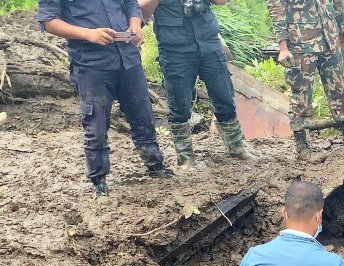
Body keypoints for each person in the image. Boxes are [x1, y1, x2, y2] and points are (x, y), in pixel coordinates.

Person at [38, 0, 174, 197]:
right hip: (91, 64)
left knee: (143, 114)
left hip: (128, 58)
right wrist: (88, 34)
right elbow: (49, 21)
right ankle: (99, 181)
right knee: (96, 123)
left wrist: (135, 25)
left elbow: (131, 4)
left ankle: (156, 167)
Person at [140, 0, 253, 168]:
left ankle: (237, 146)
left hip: (209, 44)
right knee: (179, 106)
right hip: (175, 50)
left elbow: (222, 2)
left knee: (224, 97)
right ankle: (185, 157)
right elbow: (141, 11)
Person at [269, 0, 344, 160]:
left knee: (339, 90)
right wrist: (282, 46)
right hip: (300, 42)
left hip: (329, 40)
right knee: (301, 95)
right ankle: (302, 146)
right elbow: (276, 7)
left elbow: (338, 3)